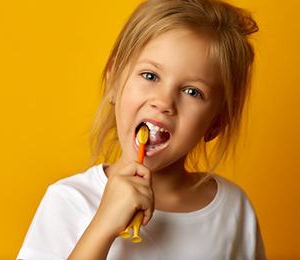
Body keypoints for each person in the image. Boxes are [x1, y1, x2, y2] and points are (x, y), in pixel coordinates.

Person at [17, 0, 266, 259]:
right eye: (150, 76)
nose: (164, 102)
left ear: (217, 121)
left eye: (192, 91)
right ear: (114, 81)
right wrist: (102, 227)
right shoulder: (69, 201)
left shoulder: (234, 210)